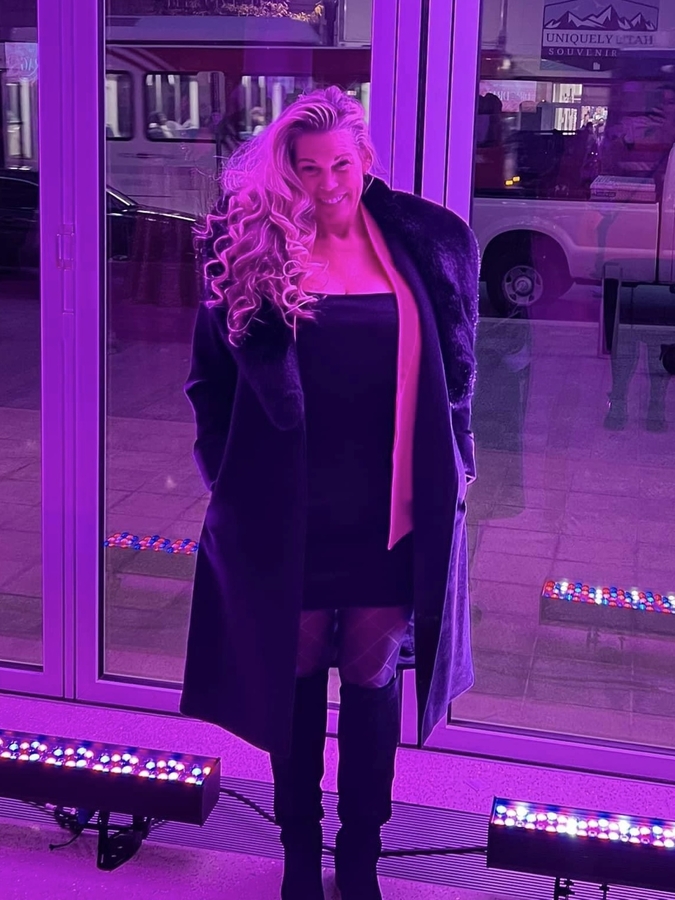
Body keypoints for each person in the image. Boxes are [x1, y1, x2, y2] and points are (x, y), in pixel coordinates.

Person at [180, 86, 478, 900]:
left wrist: (458, 467)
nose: (326, 183)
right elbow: (209, 386)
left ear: (364, 159)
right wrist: (229, 481)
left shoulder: (427, 244)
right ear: (288, 170)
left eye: (340, 164)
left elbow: (456, 376)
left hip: (390, 512)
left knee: (374, 685)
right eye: (307, 168)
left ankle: (360, 857)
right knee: (296, 686)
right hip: (290, 514)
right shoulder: (248, 248)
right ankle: (300, 855)